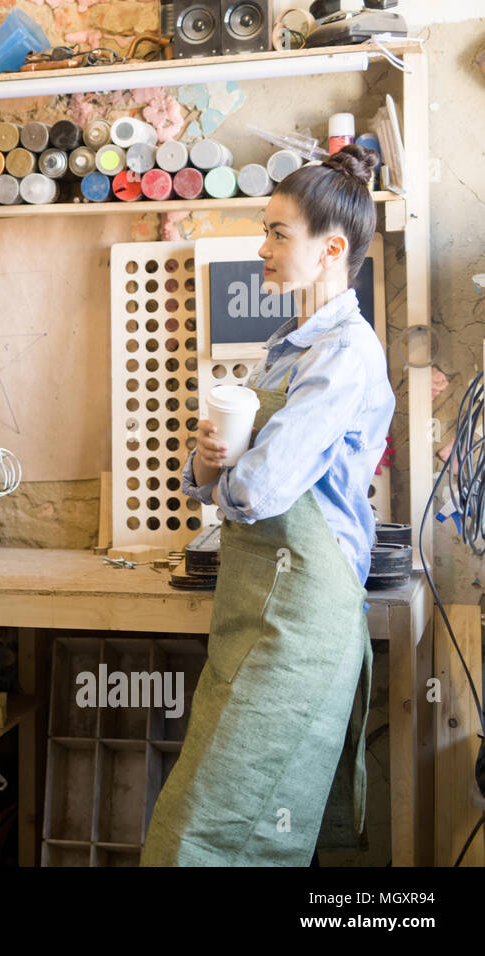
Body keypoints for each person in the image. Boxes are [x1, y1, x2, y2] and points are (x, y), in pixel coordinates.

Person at [141, 144, 395, 866]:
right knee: (240, 828)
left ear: (332, 249)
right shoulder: (285, 347)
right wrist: (207, 460)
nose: (262, 247)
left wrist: (228, 472)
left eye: (278, 233)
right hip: (255, 613)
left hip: (301, 625)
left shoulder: (345, 353)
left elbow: (255, 491)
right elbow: (213, 480)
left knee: (210, 836)